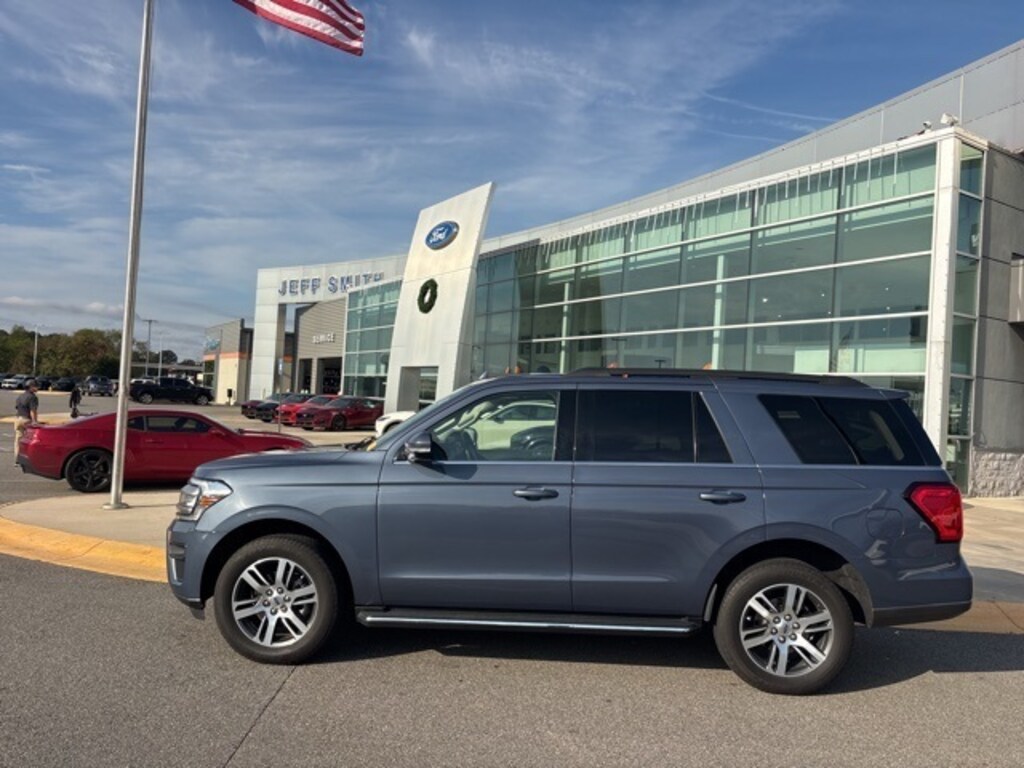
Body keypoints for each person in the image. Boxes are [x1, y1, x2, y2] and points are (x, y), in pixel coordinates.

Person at [13, 379, 40, 464]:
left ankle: (17, 459)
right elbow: (33, 410)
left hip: (17, 419)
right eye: (35, 386)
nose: (37, 387)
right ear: (31, 387)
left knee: (18, 439)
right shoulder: (32, 397)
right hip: (26, 420)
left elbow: (17, 407)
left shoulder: (20, 396)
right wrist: (35, 421)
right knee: (31, 440)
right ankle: (30, 459)